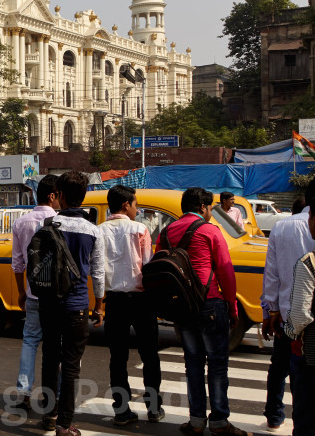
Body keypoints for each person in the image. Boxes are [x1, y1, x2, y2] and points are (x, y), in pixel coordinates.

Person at [262, 176, 315, 431]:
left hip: (312, 347)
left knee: (307, 412)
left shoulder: (309, 262)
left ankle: (274, 415)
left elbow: (299, 315)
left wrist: (287, 330)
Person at [162, 187, 245, 436]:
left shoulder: (166, 231)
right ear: (203, 208)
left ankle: (196, 421)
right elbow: (225, 271)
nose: (210, 213)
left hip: (183, 307)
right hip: (210, 303)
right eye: (210, 208)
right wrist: (233, 306)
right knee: (217, 365)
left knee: (193, 364)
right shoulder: (210, 230)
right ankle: (219, 421)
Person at [36, 171, 104, 436]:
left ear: (60, 196)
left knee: (50, 358)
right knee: (71, 364)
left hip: (48, 303)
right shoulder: (92, 230)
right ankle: (65, 424)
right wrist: (99, 305)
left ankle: (50, 414)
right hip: (76, 304)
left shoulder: (48, 226)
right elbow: (98, 273)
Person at [98, 185, 163, 425]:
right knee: (150, 355)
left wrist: (99, 304)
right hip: (141, 300)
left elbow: (96, 271)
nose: (137, 209)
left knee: (118, 357)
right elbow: (148, 266)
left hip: (113, 300)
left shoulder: (99, 231)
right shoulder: (140, 229)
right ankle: (154, 407)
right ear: (126, 205)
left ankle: (121, 410)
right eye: (135, 205)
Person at [9, 174, 60, 406]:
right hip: (57, 294)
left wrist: (21, 291)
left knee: (30, 340)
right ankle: (54, 395)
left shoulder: (21, 222)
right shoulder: (61, 221)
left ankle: (23, 392)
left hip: (32, 292)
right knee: (54, 343)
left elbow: (18, 263)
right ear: (52, 196)